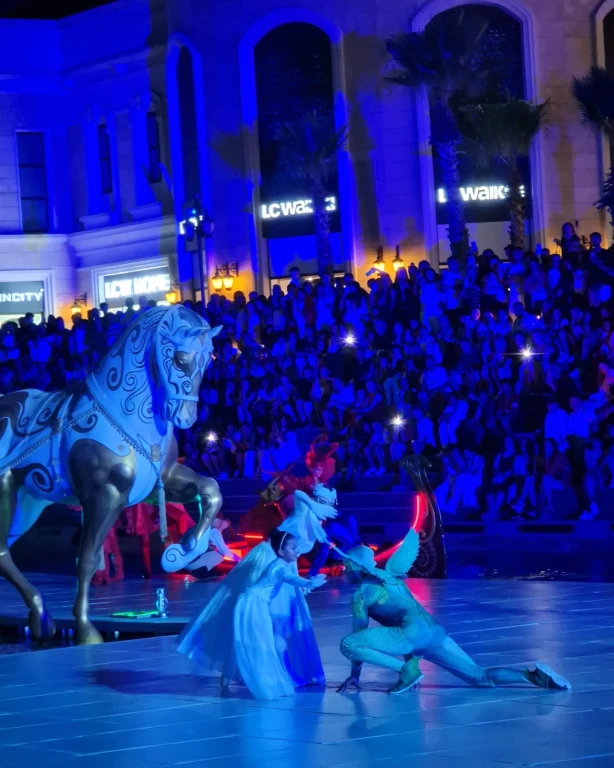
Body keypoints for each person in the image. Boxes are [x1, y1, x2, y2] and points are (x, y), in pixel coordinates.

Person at [337, 530, 571, 694]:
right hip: (433, 633)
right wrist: (412, 656)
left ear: (355, 566)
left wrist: (356, 674)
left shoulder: (362, 594)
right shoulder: (392, 575)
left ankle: (406, 671)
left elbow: (358, 636)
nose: (343, 570)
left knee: (348, 644)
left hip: (412, 635)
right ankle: (534, 677)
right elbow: (401, 624)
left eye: (345, 566)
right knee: (479, 676)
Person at [177, 480, 336, 689]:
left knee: (281, 620)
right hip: (267, 560)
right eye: (324, 503)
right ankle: (259, 670)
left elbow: (293, 557)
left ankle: (271, 670)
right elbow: (297, 493)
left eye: (330, 505)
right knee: (267, 618)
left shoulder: (316, 525)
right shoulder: (304, 509)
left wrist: (301, 582)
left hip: (284, 565)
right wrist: (313, 504)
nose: (328, 509)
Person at [233, 529, 327, 700]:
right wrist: (309, 582)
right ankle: (267, 681)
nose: (297, 551)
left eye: (297, 547)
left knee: (265, 640)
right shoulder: (279, 567)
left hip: (255, 602)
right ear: (282, 551)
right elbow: (290, 578)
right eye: (293, 548)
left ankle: (275, 678)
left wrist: (306, 584)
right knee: (262, 642)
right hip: (253, 603)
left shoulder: (280, 564)